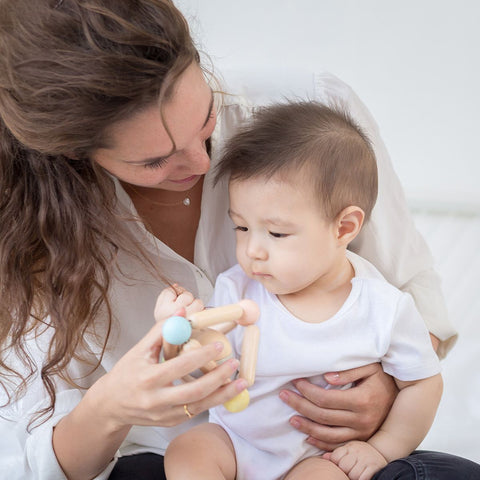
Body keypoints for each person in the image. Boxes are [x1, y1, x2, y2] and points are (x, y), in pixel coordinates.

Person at [0, 0, 474, 479]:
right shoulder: (26, 231)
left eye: (205, 120)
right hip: (161, 456)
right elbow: (34, 461)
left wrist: (388, 397)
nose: (205, 165)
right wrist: (113, 405)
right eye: (154, 161)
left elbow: (415, 303)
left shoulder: (314, 119)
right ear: (75, 154)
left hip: (319, 451)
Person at [162, 101, 444, 480]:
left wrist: (381, 448)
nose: (253, 250)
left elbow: (423, 383)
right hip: (235, 440)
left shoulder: (383, 308)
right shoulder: (237, 287)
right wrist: (182, 333)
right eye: (241, 228)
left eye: (276, 233)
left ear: (344, 228)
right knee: (188, 450)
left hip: (314, 458)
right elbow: (206, 365)